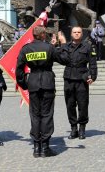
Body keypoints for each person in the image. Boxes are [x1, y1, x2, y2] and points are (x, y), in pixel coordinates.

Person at [15, 25, 69, 158]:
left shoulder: (26, 49)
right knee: (46, 114)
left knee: (35, 115)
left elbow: (19, 69)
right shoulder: (49, 48)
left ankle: (36, 148)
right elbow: (65, 59)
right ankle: (45, 147)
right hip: (47, 83)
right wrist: (63, 44)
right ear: (43, 35)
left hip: (33, 83)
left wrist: (24, 84)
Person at [63, 26, 97, 140]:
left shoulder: (87, 47)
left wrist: (93, 76)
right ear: (71, 33)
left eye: (79, 32)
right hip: (68, 79)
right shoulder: (66, 47)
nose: (77, 34)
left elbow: (92, 63)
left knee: (83, 105)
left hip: (82, 79)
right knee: (70, 105)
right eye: (74, 32)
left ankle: (82, 128)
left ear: (81, 34)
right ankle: (73, 128)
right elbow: (58, 57)